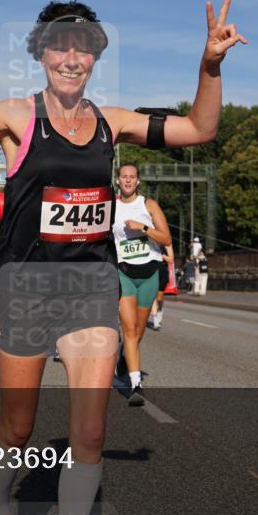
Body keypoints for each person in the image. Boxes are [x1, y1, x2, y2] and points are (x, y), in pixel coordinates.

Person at [0, 0, 244, 515]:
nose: (71, 58)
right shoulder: (15, 117)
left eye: (84, 48)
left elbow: (199, 129)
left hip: (91, 286)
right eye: (59, 48)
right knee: (19, 428)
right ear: (41, 54)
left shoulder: (112, 122)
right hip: (26, 284)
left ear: (95, 57)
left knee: (92, 433)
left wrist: (210, 65)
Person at [113, 164, 171, 404]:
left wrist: (143, 228)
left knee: (137, 332)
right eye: (123, 177)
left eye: (132, 177)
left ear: (137, 182)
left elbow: (166, 238)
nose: (127, 181)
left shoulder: (149, 205)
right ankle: (136, 385)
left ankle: (123, 359)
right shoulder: (111, 207)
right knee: (128, 329)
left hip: (148, 273)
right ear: (118, 181)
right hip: (123, 272)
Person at [148, 242, 174, 330]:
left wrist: (160, 255)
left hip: (162, 271)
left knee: (159, 298)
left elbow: (171, 259)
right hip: (151, 270)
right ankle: (156, 321)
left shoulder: (167, 244)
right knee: (153, 297)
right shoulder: (150, 241)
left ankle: (159, 314)